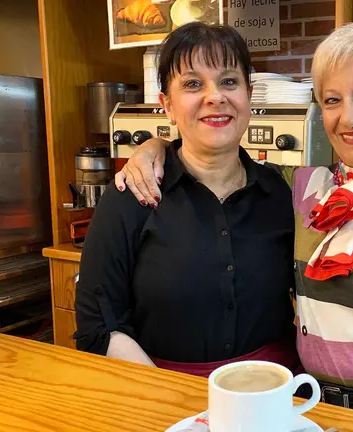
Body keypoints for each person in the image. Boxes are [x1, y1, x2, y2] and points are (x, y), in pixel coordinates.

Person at [117, 23, 353, 432]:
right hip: (311, 404)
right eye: (332, 100)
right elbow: (215, 158)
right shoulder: (305, 189)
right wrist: (154, 148)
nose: (348, 116)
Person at [74, 22, 300, 377]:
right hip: (164, 397)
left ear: (249, 95)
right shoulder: (132, 196)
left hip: (272, 394)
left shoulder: (281, 193)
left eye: (229, 81)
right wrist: (175, 400)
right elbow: (99, 326)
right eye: (193, 84)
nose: (215, 96)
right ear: (167, 105)